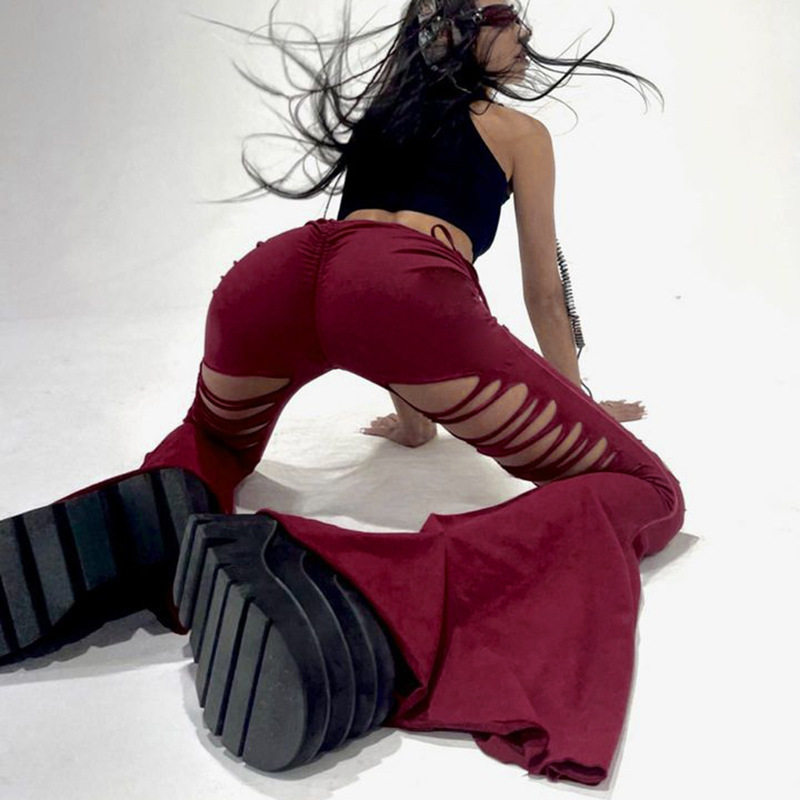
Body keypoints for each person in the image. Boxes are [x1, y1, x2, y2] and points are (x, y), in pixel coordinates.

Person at [0, 0, 685, 787]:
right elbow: (535, 292)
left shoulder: (383, 117)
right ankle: (355, 589)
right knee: (648, 489)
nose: (527, 35)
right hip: (404, 297)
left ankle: (169, 509)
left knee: (214, 439)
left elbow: (356, 286)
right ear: (457, 32)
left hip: (277, 276)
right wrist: (580, 403)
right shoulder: (519, 132)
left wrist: (415, 422)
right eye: (508, 17)